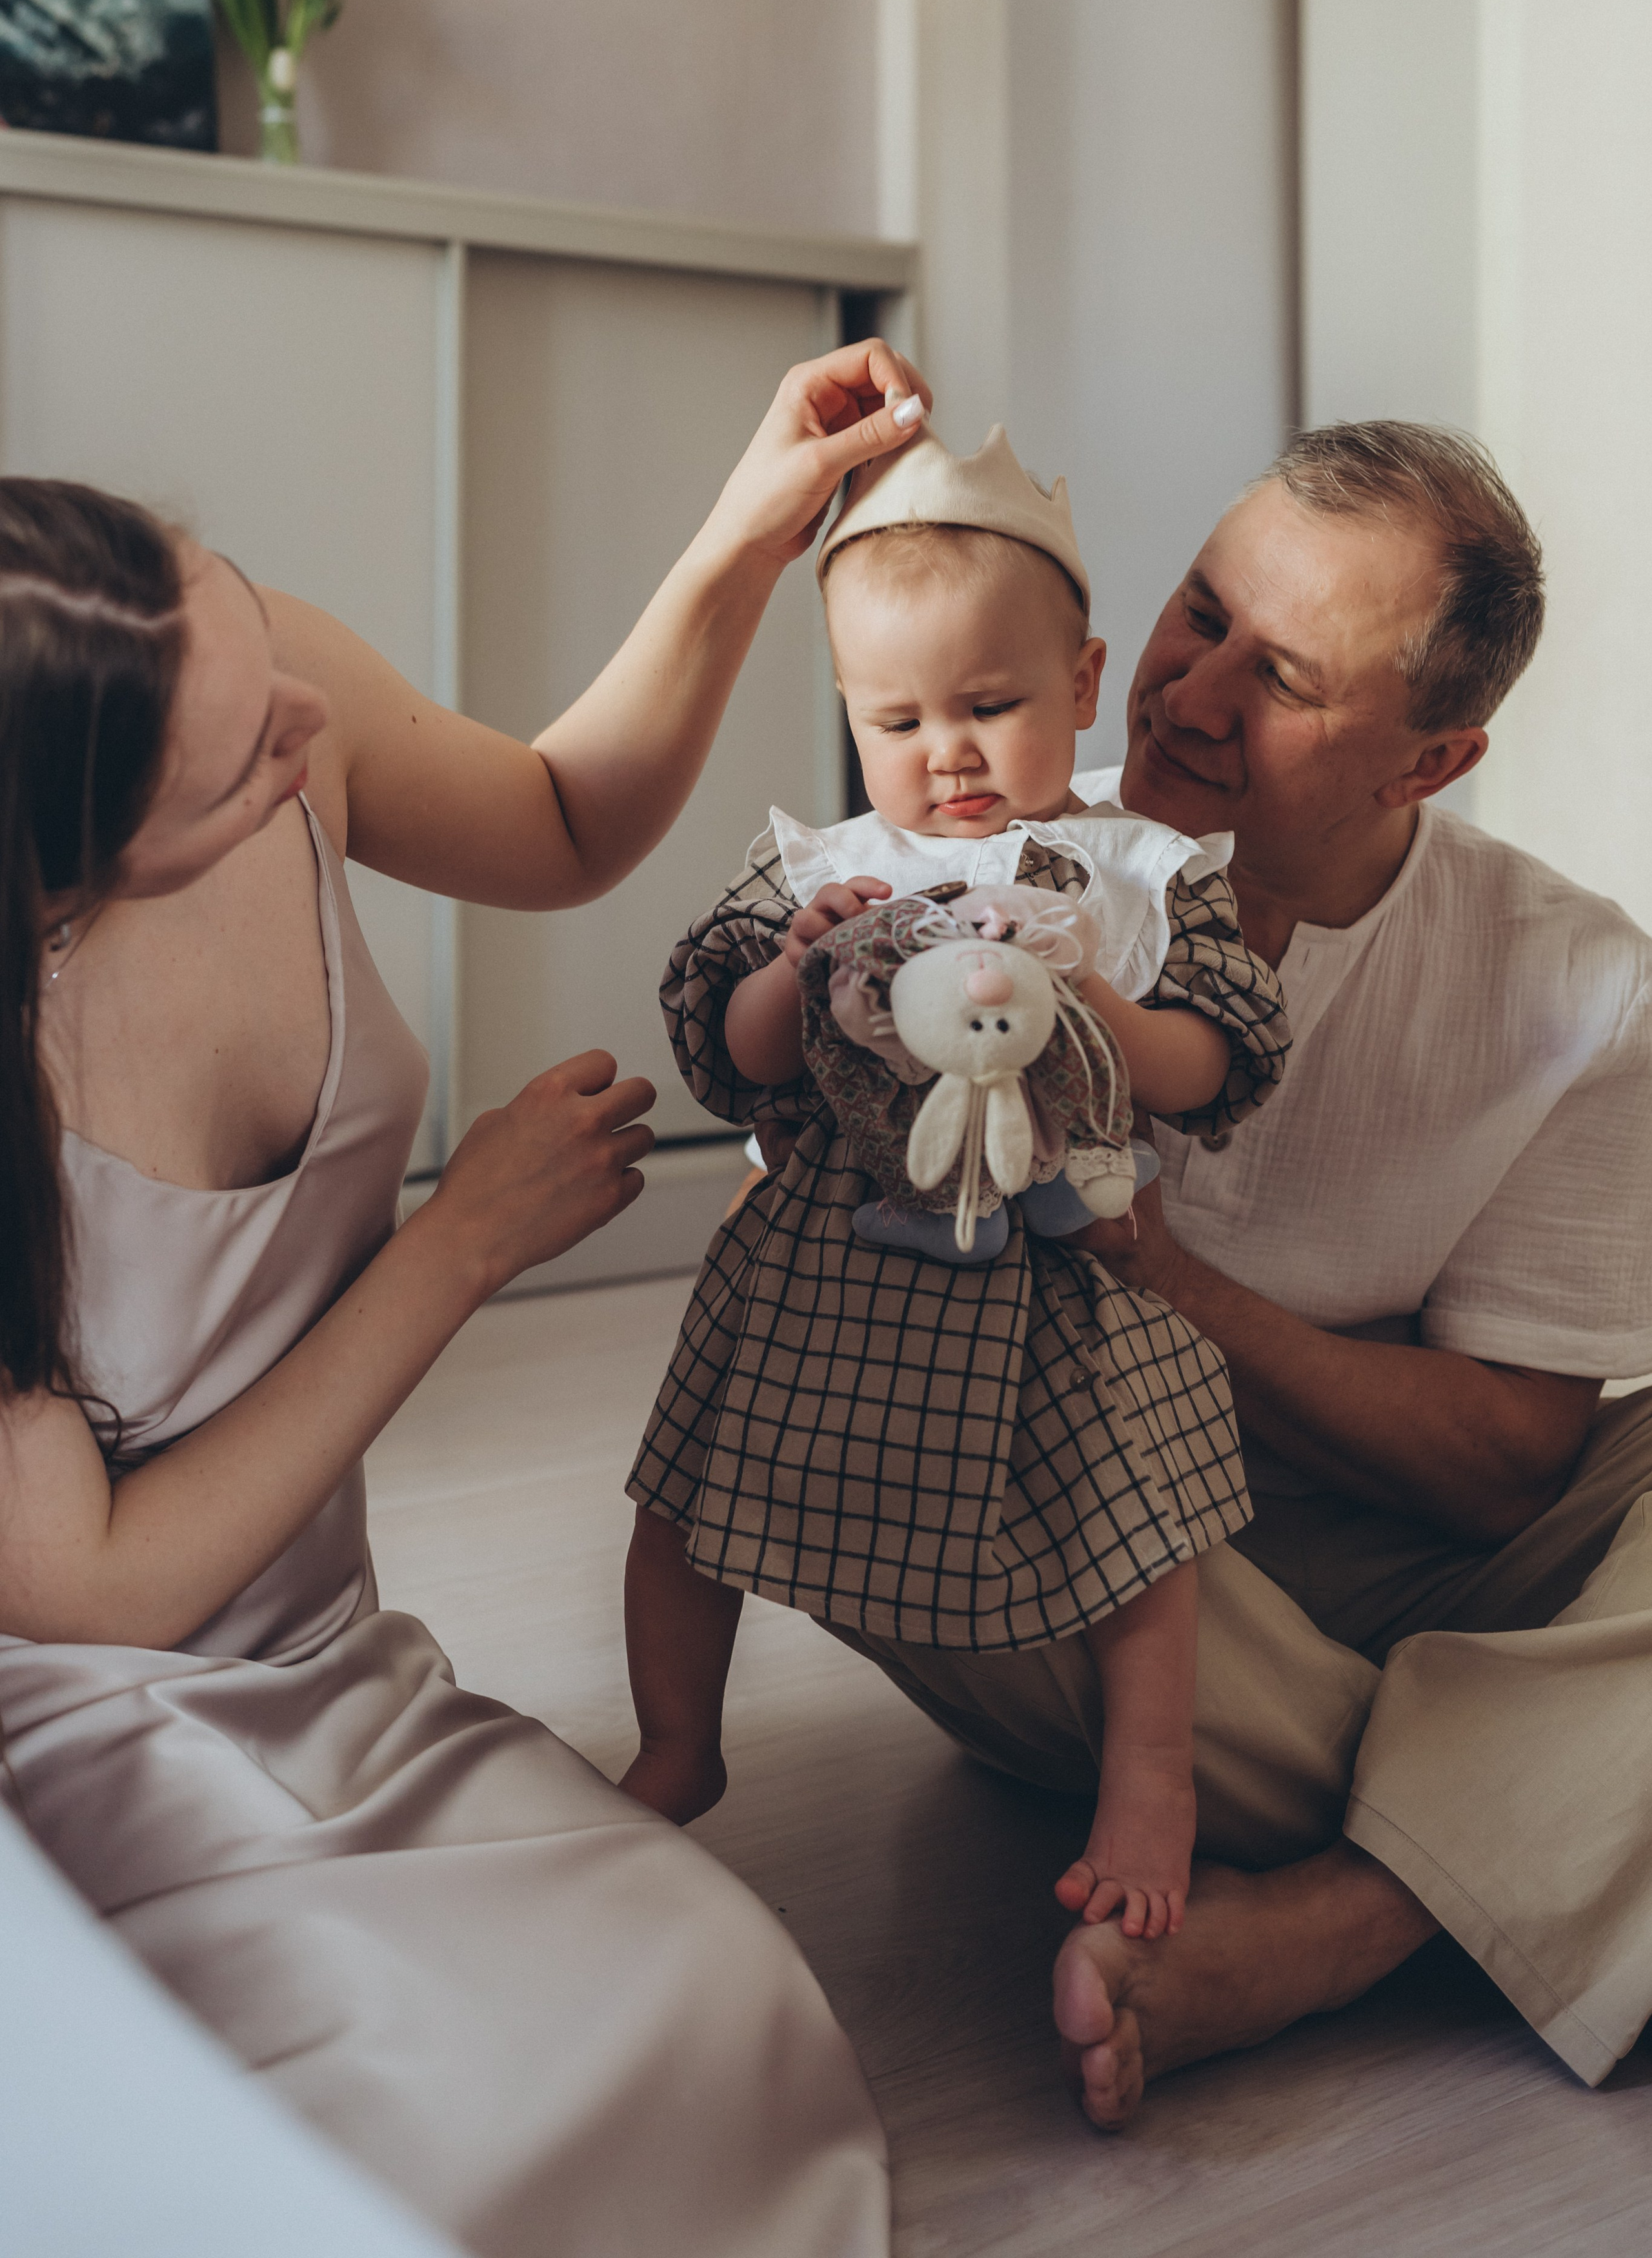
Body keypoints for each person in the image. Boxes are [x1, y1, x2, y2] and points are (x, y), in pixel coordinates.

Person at [0, 340, 932, 2258]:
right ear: (58, 889)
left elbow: (565, 818)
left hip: (326, 1651)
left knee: (714, 2016)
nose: (303, 733)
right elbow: (93, 1590)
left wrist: (748, 537)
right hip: (86, 1714)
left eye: (258, 656)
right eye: (238, 761)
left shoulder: (250, 682)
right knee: (386, 2154)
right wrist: (462, 1243)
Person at [811, 420, 1652, 2126]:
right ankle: (1541, 1804)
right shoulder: (988, 869)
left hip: (1384, 1553)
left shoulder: (1582, 989)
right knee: (863, 1459)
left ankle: (1345, 1923)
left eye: (1279, 677)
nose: (1188, 698)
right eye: (1198, 613)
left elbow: (1509, 1467)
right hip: (1083, 1564)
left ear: (1428, 763)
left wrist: (1171, 1278)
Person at [619, 427, 1289, 1945]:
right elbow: (723, 1050)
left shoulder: (1137, 871)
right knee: (681, 1501)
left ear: (1077, 680)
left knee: (1144, 1536)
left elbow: (1228, 1054)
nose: (949, 753)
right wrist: (794, 972)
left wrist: (1116, 1020)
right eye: (897, 716)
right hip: (825, 1250)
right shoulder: (818, 864)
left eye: (990, 705)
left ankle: (1150, 1781)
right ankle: (676, 1740)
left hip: (1063, 1262)